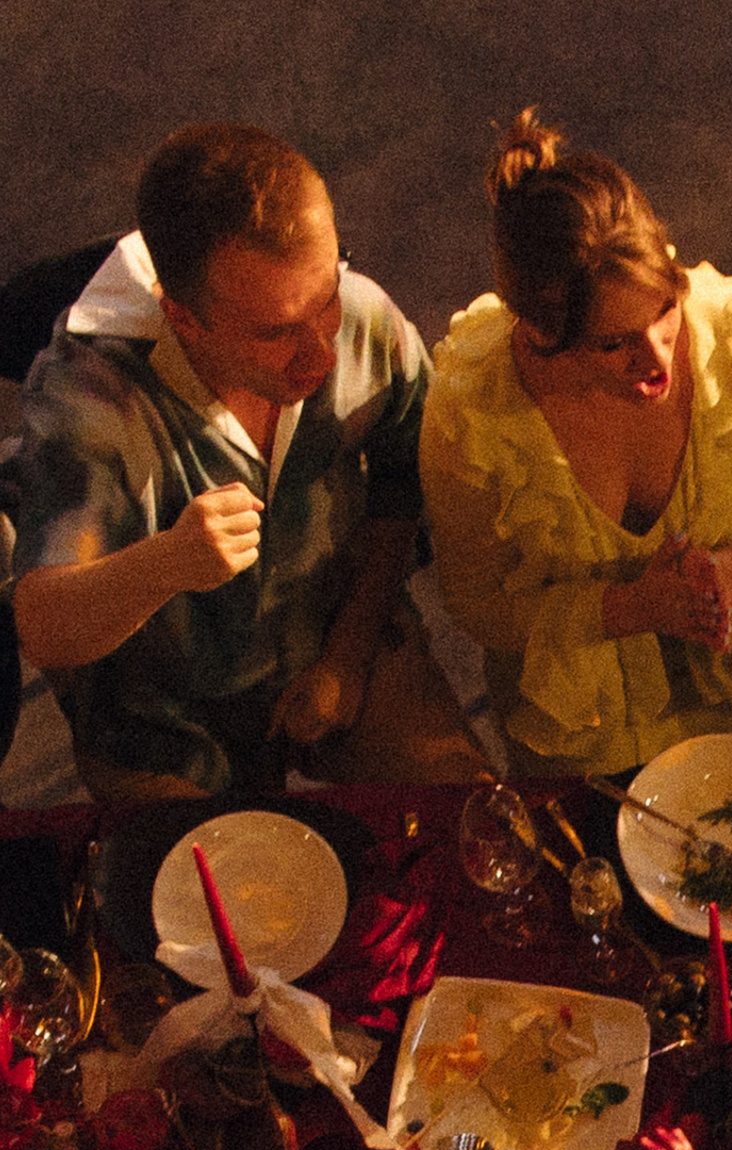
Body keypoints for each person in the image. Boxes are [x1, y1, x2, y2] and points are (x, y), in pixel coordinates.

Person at [9, 124, 480, 800]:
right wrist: (166, 564)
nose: (321, 351)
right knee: (205, 892)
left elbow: (407, 477)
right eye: (277, 332)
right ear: (183, 318)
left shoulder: (361, 319)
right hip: (162, 715)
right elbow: (44, 628)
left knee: (462, 821)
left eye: (326, 302)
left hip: (335, 627)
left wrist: (346, 655)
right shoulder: (92, 398)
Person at [420, 111, 732, 778]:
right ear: (540, 332)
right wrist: (629, 608)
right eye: (613, 344)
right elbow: (478, 605)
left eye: (665, 311)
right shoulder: (472, 414)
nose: (658, 358)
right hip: (590, 740)